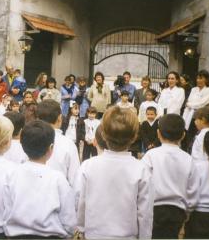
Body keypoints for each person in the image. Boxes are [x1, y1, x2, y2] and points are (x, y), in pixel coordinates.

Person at [74, 106, 153, 239]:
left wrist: (81, 227)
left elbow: (80, 200)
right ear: (134, 137)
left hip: (94, 234)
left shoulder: (88, 165)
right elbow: (145, 213)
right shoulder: (141, 169)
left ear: (103, 135)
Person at [3, 120, 77, 238]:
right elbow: (68, 218)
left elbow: (7, 210)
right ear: (50, 148)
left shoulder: (12, 174)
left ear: (22, 144)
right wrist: (70, 234)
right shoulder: (57, 178)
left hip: (17, 236)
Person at [141, 114, 200, 239]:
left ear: (158, 133)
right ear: (183, 135)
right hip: (177, 210)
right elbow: (193, 190)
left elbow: (142, 183)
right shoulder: (188, 159)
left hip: (153, 209)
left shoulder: (151, 155)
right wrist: (187, 210)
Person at [36, 100, 80, 186]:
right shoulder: (68, 144)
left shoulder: (29, 138)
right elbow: (75, 181)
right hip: (59, 194)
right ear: (60, 118)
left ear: (37, 119)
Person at [182, 70, 209, 151]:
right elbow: (189, 100)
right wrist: (191, 104)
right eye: (197, 78)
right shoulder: (194, 89)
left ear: (206, 80)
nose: (198, 80)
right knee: (187, 138)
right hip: (189, 116)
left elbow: (202, 104)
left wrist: (190, 105)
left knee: (196, 138)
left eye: (201, 78)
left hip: (200, 117)